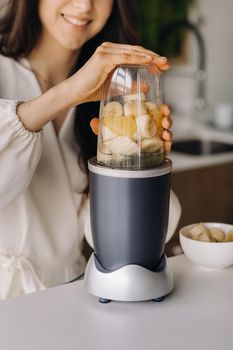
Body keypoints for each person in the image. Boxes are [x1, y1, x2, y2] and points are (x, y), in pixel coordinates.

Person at [0, 0, 179, 300]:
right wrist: (69, 93)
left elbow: (107, 240)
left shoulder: (113, 89)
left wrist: (138, 168)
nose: (84, 5)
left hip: (69, 295)